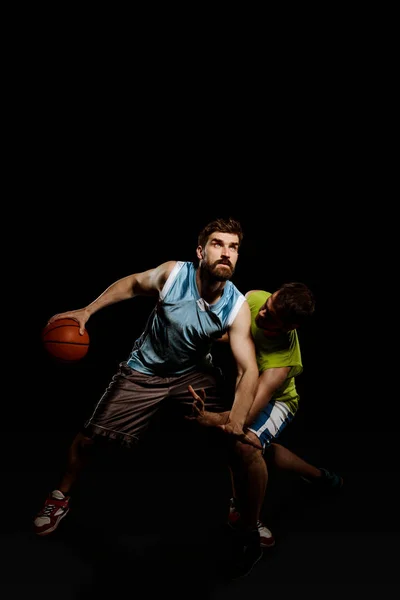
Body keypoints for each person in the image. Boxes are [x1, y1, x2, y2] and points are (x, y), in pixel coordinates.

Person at [33, 217, 263, 576]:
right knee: (89, 439)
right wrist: (88, 311)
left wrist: (234, 420)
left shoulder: (235, 307)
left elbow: (249, 369)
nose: (227, 253)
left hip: (192, 375)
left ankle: (243, 511)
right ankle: (59, 497)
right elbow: (131, 285)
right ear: (201, 252)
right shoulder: (172, 274)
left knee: (239, 444)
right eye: (218, 244)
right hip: (145, 370)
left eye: (234, 247)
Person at [187, 282, 343, 559]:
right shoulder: (256, 298)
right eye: (269, 304)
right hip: (248, 387)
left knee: (246, 446)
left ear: (287, 329)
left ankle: (249, 524)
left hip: (277, 401)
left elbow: (244, 415)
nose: (262, 314)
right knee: (255, 450)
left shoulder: (280, 365)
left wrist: (208, 418)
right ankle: (319, 477)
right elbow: (238, 332)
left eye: (270, 317)